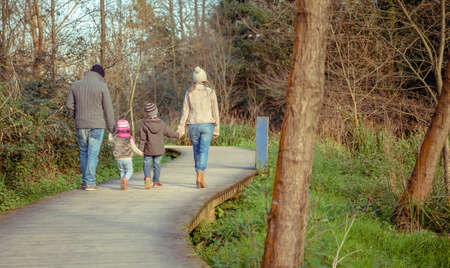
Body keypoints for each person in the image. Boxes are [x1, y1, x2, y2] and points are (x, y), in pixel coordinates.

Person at [66, 64, 115, 190]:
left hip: (80, 124)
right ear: (100, 75)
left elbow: (69, 106)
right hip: (97, 125)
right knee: (92, 154)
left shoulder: (75, 85)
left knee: (83, 153)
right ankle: (89, 182)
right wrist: (112, 127)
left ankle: (85, 181)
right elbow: (108, 109)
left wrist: (76, 117)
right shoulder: (102, 86)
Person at [177, 66, 220, 189]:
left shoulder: (189, 92)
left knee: (196, 151)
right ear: (204, 78)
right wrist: (217, 129)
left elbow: (185, 111)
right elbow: (215, 111)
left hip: (193, 125)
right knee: (204, 151)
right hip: (207, 125)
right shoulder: (210, 92)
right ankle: (200, 177)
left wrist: (181, 128)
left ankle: (199, 177)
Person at [139, 102, 179, 189]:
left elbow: (142, 139)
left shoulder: (143, 124)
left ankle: (147, 177)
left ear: (147, 113)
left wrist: (140, 150)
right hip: (158, 150)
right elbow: (168, 133)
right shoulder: (161, 123)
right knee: (157, 165)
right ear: (156, 112)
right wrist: (177, 135)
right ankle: (156, 182)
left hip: (148, 150)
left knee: (147, 164)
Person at [108, 119, 143, 190]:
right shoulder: (129, 138)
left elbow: (110, 140)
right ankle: (125, 180)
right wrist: (140, 153)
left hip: (118, 159)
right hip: (127, 158)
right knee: (130, 171)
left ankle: (123, 184)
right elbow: (134, 148)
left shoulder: (116, 137)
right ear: (128, 128)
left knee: (122, 171)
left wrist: (110, 133)